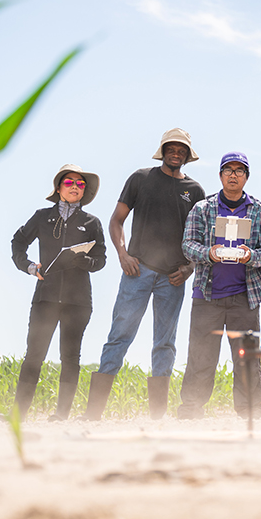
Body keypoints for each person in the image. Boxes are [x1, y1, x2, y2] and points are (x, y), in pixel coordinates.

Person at [82, 128, 205, 420]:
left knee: (165, 342)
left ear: (188, 155)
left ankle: (157, 417)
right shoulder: (140, 178)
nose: (176, 153)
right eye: (171, 148)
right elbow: (116, 220)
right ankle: (93, 413)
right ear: (163, 150)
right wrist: (123, 254)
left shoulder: (195, 191)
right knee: (119, 335)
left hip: (173, 278)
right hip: (137, 272)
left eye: (182, 150)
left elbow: (200, 236)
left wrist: (189, 268)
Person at [177, 152, 261, 419]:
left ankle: (250, 409)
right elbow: (188, 245)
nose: (233, 175)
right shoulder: (202, 209)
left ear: (246, 177)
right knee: (201, 354)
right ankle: (191, 407)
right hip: (207, 294)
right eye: (228, 170)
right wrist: (208, 253)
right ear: (220, 175)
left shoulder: (259, 212)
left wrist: (250, 256)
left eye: (239, 170)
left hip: (245, 295)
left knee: (247, 355)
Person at [10, 164, 107, 421]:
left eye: (80, 183)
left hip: (78, 302)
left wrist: (86, 262)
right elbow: (18, 242)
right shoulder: (42, 217)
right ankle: (17, 415)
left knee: (70, 357)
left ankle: (61, 415)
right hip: (46, 298)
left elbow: (101, 260)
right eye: (69, 182)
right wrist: (29, 267)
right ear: (58, 188)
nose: (75, 186)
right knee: (34, 355)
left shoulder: (92, 222)